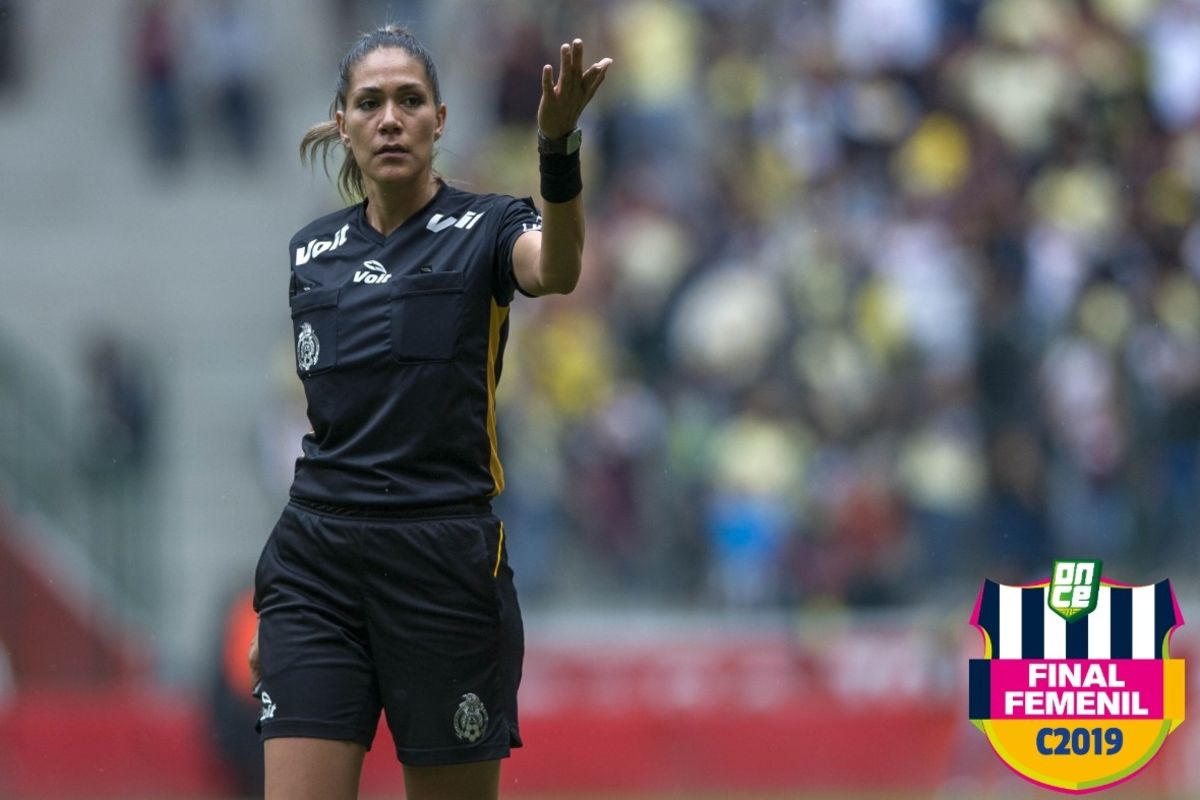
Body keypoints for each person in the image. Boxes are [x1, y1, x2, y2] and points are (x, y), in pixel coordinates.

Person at [248, 25, 611, 800]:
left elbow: (560, 267)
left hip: (442, 565)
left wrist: (556, 148)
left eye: (409, 101)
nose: (390, 118)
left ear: (440, 120)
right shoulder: (311, 254)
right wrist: (276, 600)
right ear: (343, 122)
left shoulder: (487, 229)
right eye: (370, 103)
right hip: (316, 566)